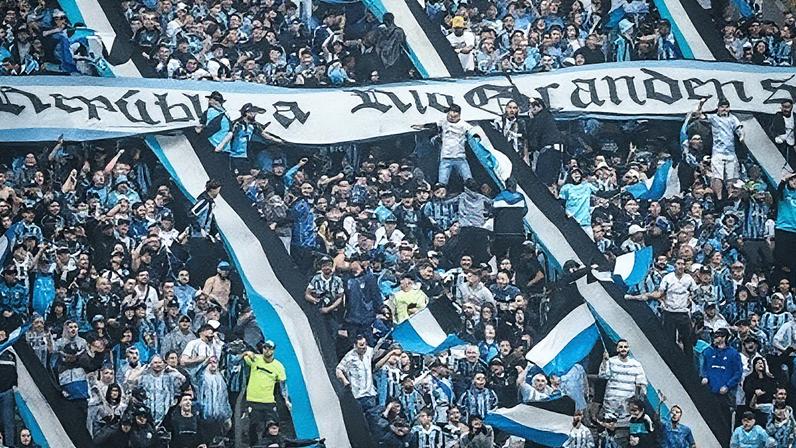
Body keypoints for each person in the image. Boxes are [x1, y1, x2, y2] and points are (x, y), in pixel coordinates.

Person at [695, 98, 745, 200]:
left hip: (730, 152)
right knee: (717, 176)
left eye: (726, 107)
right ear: (718, 108)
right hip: (718, 152)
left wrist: (741, 136)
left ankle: (731, 193)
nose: (724, 109)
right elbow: (698, 115)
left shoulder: (732, 119)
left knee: (731, 176)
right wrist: (701, 103)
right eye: (722, 107)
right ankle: (719, 197)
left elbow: (739, 129)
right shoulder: (713, 118)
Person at [412, 104, 474, 186]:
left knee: (468, 178)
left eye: (454, 116)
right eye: (450, 115)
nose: (451, 118)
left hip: (460, 156)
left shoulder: (464, 125)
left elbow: (473, 131)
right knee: (442, 181)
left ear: (459, 115)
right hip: (446, 157)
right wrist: (422, 126)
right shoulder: (444, 121)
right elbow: (434, 124)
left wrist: (477, 136)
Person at [648, 258, 698, 359]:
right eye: (678, 264)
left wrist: (690, 299)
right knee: (668, 339)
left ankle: (688, 362)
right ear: (674, 265)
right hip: (669, 312)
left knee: (687, 340)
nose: (681, 266)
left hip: (683, 313)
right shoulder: (668, 278)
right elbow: (660, 293)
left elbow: (695, 292)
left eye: (683, 264)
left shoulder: (688, 279)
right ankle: (670, 361)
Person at [243, 340, 290, 446]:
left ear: (273, 350)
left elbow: (283, 385)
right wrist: (246, 353)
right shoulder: (255, 359)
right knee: (253, 427)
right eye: (265, 348)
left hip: (268, 401)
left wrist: (286, 400)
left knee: (272, 427)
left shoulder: (279, 366)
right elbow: (240, 358)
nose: (267, 350)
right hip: (253, 400)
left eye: (270, 348)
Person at [599, 339, 647, 423]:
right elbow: (603, 375)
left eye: (625, 347)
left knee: (624, 428)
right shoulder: (611, 361)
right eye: (621, 347)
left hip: (627, 405)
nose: (623, 349)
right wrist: (604, 361)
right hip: (611, 403)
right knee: (608, 427)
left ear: (628, 349)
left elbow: (641, 383)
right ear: (617, 349)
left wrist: (637, 400)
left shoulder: (636, 364)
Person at [701, 327, 742, 409]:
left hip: (725, 393)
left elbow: (738, 373)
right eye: (714, 336)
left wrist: (728, 386)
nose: (715, 338)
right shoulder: (707, 351)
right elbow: (703, 367)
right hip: (709, 392)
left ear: (724, 337)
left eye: (717, 336)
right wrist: (704, 376)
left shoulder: (733, 354)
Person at [336, 334, 378, 413]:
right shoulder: (349, 357)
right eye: (361, 345)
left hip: (370, 394)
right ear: (355, 346)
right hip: (358, 395)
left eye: (365, 344)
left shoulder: (369, 351)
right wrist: (345, 381)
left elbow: (377, 352)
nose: (364, 347)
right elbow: (338, 370)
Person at [0, 328, 16, 446]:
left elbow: (15, 372)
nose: (0, 337)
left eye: (2, 335)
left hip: (7, 392)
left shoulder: (11, 353)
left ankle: (9, 445)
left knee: (8, 421)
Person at [256, 420, 325, 448]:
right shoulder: (264, 440)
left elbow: (296, 442)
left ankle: (318, 444)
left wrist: (313, 441)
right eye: (272, 428)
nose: (275, 430)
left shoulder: (281, 438)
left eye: (276, 428)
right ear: (268, 429)